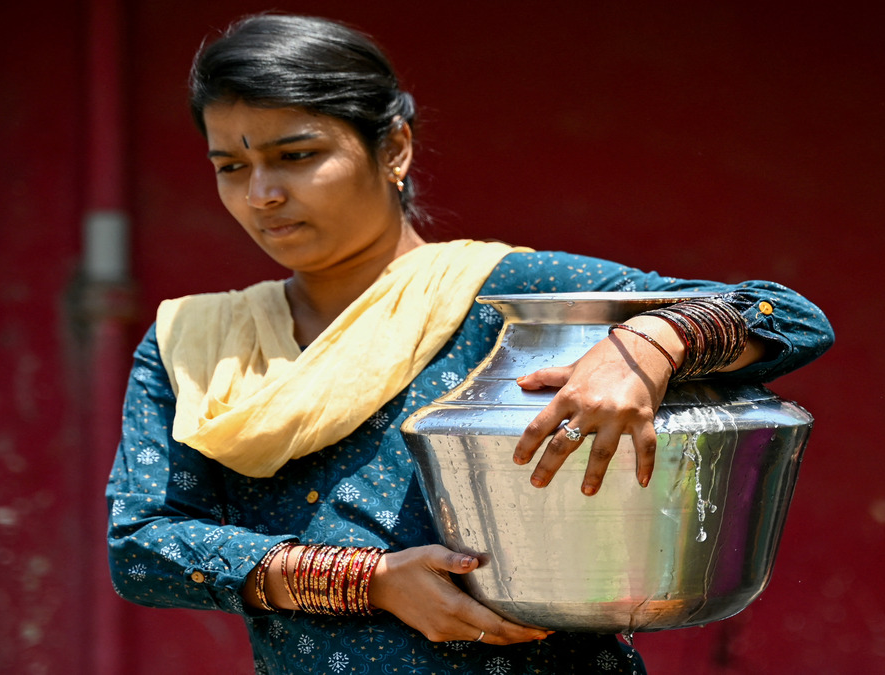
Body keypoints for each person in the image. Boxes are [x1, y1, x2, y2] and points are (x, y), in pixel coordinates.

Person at [105, 13, 834, 674]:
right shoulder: (196, 343)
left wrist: (648, 344)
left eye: (296, 155)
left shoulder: (502, 294)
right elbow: (140, 547)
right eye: (231, 166)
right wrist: (366, 582)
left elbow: (793, 318)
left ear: (392, 148)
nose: (261, 193)